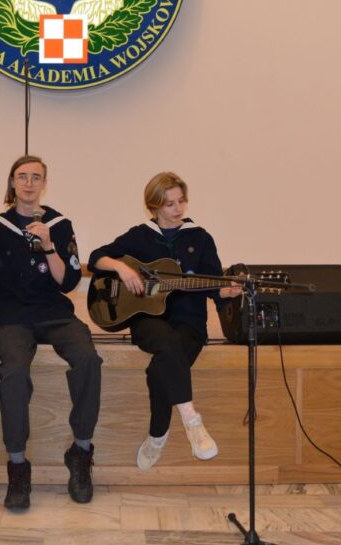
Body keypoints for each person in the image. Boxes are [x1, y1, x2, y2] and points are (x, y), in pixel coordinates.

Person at [88, 172, 241, 471]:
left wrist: (227, 292)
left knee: (162, 366)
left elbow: (214, 286)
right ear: (154, 206)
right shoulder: (140, 236)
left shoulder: (200, 238)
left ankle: (157, 435)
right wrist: (121, 269)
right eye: (170, 203)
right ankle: (192, 422)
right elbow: (97, 257)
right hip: (148, 321)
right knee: (165, 343)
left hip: (190, 323)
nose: (178, 209)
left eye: (181, 201)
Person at [0, 155, 102, 511]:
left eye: (36, 177)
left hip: (52, 311)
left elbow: (67, 282)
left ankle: (80, 453)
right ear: (12, 182)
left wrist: (49, 244)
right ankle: (18, 466)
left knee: (88, 359)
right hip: (11, 315)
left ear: (44, 183)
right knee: (15, 374)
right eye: (22, 176)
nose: (29, 183)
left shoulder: (59, 224)